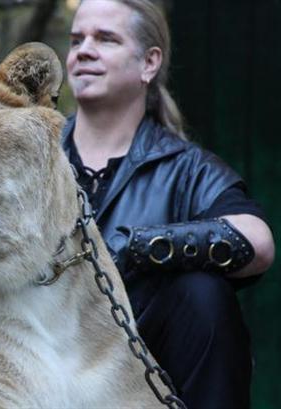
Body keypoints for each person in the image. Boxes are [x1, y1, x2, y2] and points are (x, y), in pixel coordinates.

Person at [63, 0, 275, 407]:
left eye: (105, 39)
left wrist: (137, 249)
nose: (84, 50)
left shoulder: (187, 169)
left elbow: (258, 242)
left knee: (202, 293)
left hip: (141, 377)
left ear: (149, 63)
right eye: (76, 40)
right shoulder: (34, 158)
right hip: (34, 363)